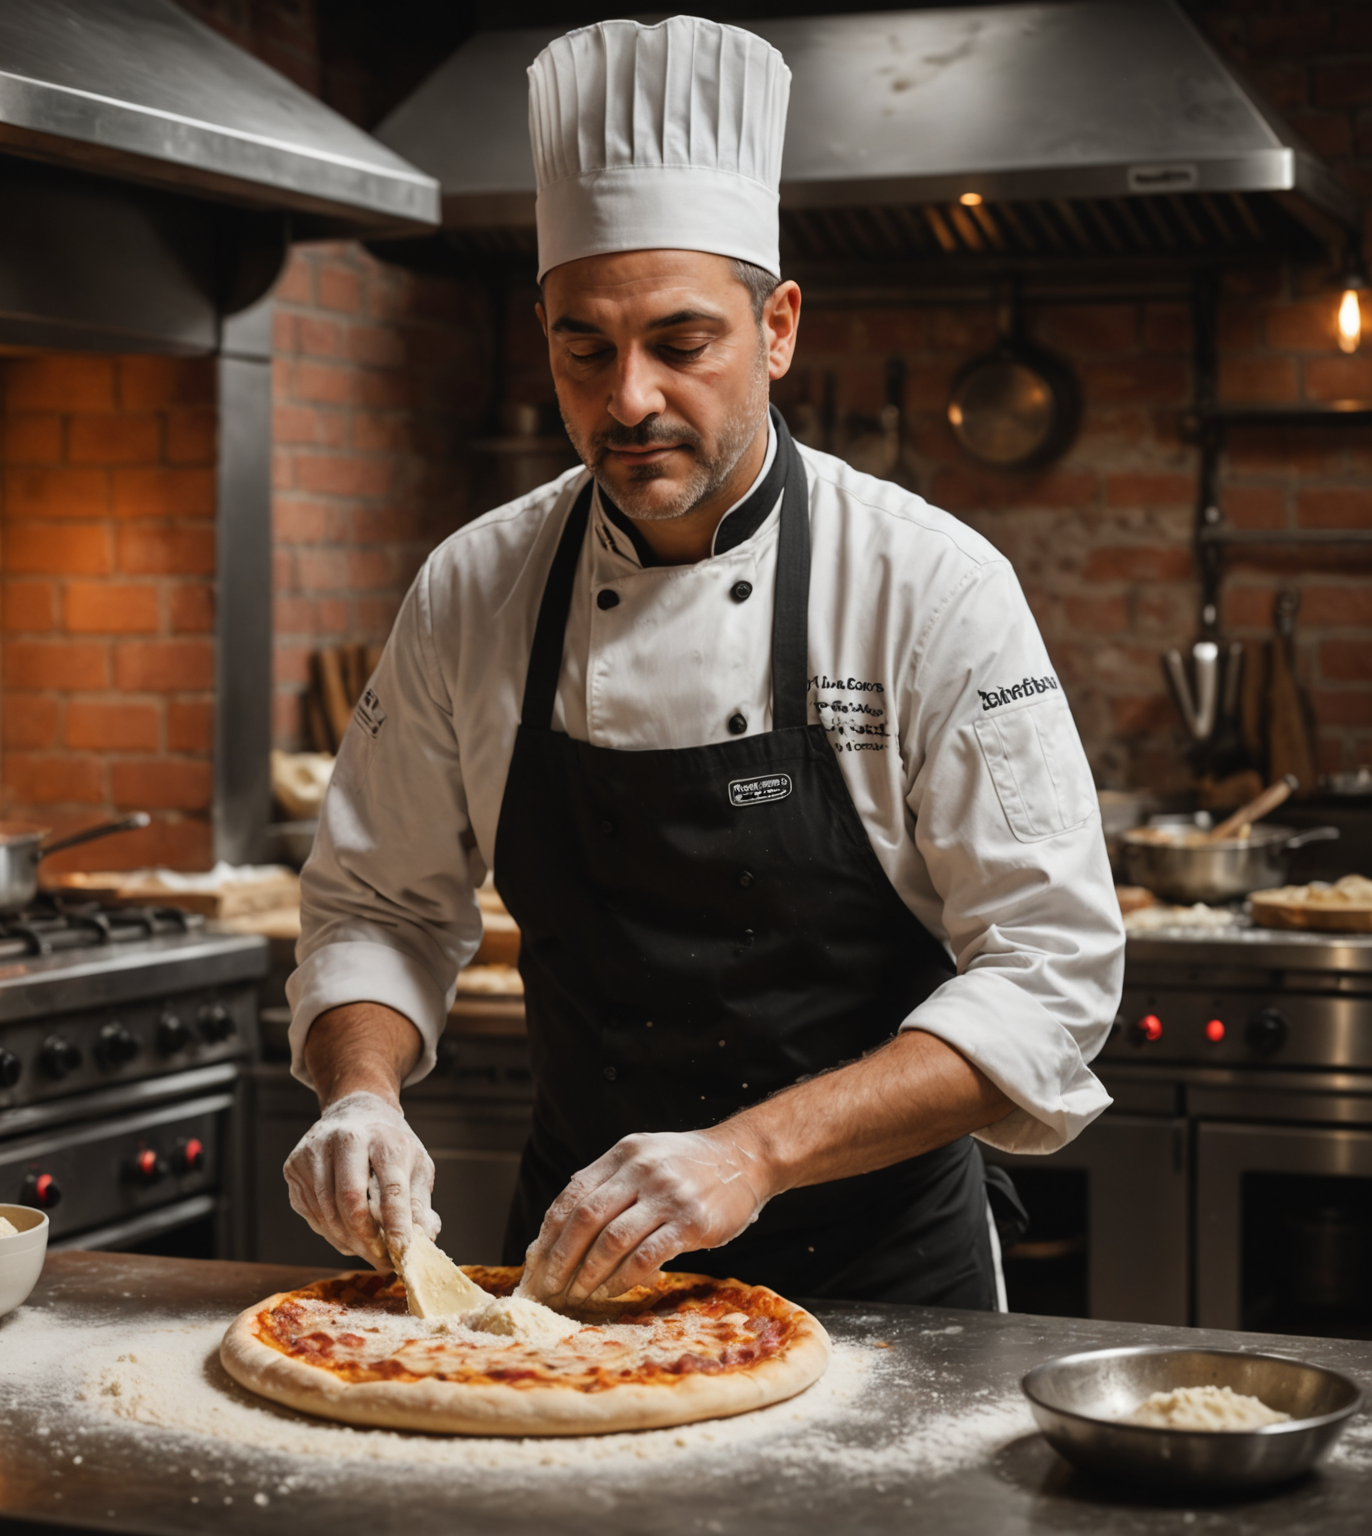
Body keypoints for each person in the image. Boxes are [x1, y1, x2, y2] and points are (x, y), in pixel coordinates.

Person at [283, 16, 1123, 1311]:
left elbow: (1052, 971)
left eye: (681, 343)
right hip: (579, 1273)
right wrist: (360, 1094)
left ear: (777, 327)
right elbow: (381, 907)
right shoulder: (476, 588)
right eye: (583, 345)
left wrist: (754, 1153)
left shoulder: (926, 584)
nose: (626, 399)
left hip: (888, 1277)